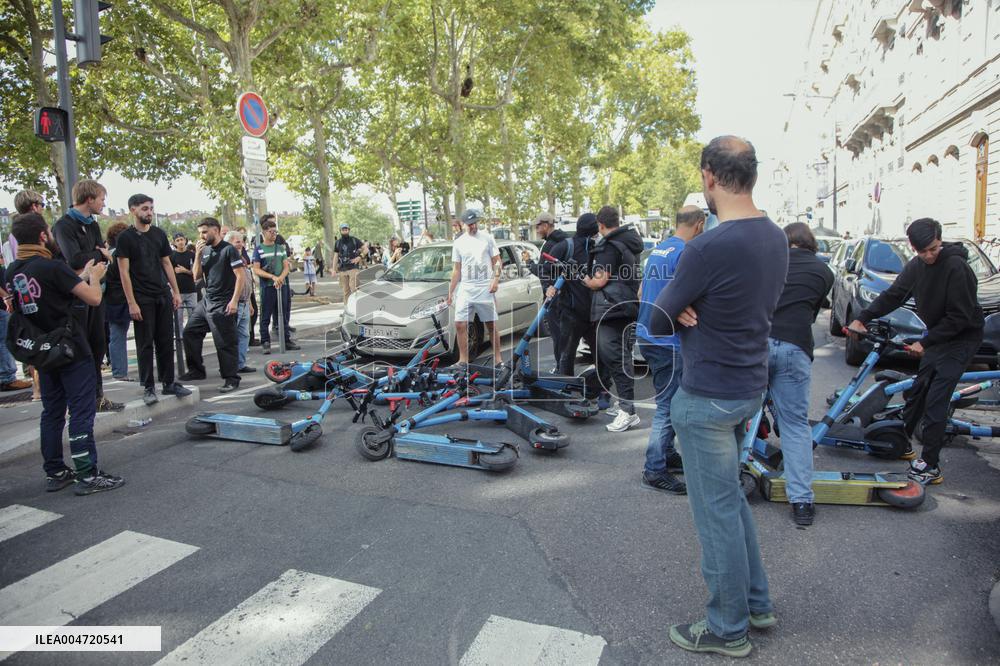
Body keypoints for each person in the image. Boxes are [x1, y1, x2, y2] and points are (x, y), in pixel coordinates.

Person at [651, 135, 787, 657]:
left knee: (715, 517)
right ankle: (756, 603)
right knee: (730, 502)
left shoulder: (706, 246)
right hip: (748, 388)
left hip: (706, 395)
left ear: (709, 175)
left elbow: (656, 316)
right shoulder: (774, 236)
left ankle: (728, 628)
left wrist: (682, 305)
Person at [848, 217, 983, 486]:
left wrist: (927, 341)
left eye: (934, 248)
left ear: (940, 241)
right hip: (939, 336)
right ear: (913, 248)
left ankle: (930, 466)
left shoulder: (956, 267)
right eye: (923, 251)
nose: (929, 255)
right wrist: (863, 317)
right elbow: (894, 294)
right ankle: (902, 443)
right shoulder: (917, 265)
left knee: (936, 399)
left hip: (962, 338)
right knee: (918, 392)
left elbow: (960, 317)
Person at [5, 213, 124, 494]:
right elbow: (93, 298)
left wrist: (81, 276)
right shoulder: (51, 267)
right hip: (71, 349)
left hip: (42, 353)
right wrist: (94, 277)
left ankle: (55, 470)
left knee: (52, 412)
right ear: (43, 236)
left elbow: (55, 289)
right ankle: (87, 474)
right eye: (47, 230)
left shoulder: (13, 271)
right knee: (81, 412)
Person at [767, 223, 834, 525]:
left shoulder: (768, 263)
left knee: (741, 415)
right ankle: (802, 503)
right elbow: (811, 313)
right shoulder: (824, 273)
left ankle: (729, 486)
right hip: (795, 346)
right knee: (794, 424)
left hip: (759, 344)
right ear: (811, 243)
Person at [636, 205, 705, 495]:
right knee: (668, 406)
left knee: (671, 401)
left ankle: (665, 453)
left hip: (647, 334)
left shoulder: (659, 251)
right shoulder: (686, 254)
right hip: (669, 342)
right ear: (700, 225)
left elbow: (641, 292)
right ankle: (654, 469)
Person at [51, 179, 123, 412]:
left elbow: (96, 258)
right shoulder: (63, 225)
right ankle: (82, 399)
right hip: (77, 295)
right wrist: (98, 255)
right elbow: (74, 259)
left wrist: (96, 256)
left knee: (97, 344)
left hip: (96, 291)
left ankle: (98, 397)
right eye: (101, 199)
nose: (104, 203)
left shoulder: (92, 224)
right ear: (89, 199)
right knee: (81, 347)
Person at [116, 194, 191, 405]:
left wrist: (175, 292)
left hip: (162, 294)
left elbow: (166, 264)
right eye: (144, 208)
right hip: (142, 297)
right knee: (145, 343)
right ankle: (148, 386)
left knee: (166, 340)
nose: (149, 212)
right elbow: (124, 272)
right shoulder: (126, 238)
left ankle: (169, 382)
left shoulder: (158, 233)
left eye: (150, 208)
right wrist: (131, 302)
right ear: (133, 210)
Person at [584, 205, 644, 433]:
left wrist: (583, 278)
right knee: (623, 356)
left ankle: (628, 411)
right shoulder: (630, 242)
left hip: (611, 308)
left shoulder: (609, 246)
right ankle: (626, 406)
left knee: (614, 357)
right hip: (626, 306)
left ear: (600, 225)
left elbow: (598, 281)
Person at [179, 217, 246, 392]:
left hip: (224, 302)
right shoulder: (205, 250)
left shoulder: (229, 250)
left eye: (204, 232)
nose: (201, 236)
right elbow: (196, 277)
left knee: (224, 342)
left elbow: (240, 276)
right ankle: (196, 370)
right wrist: (198, 255)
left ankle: (231, 378)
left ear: (215, 230)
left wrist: (234, 301)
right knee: (190, 332)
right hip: (207, 300)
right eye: (200, 232)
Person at [447, 209, 503, 367]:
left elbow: (497, 262)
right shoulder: (458, 243)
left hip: (485, 286)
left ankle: (498, 360)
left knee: (491, 324)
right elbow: (457, 269)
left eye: (475, 223)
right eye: (470, 224)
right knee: (460, 323)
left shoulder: (487, 238)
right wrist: (450, 292)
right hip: (466, 288)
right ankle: (463, 360)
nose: (473, 226)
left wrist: (496, 280)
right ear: (463, 224)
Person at [549, 213, 598, 377]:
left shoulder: (596, 248)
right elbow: (544, 269)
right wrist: (548, 286)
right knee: (567, 356)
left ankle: (601, 391)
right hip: (571, 313)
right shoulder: (565, 246)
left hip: (593, 314)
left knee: (601, 356)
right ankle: (567, 392)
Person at [526, 212, 568, 373]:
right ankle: (565, 368)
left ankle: (560, 369)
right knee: (566, 336)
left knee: (557, 336)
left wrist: (530, 264)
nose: (536, 229)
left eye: (538, 226)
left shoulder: (550, 245)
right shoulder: (565, 240)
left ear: (546, 225)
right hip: (567, 295)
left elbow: (544, 271)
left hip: (554, 295)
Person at [252, 217, 299, 353]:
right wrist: (272, 277)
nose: (274, 235)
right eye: (271, 232)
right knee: (265, 314)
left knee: (283, 313)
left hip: (281, 285)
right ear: (264, 233)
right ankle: (265, 341)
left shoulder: (280, 248)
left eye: (275, 232)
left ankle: (286, 340)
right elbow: (256, 268)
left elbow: (286, 266)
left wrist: (280, 278)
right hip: (267, 286)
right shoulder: (259, 249)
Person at [225, 230, 256, 374]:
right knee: (230, 336)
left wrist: (249, 302)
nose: (241, 244)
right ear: (229, 242)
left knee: (244, 335)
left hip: (244, 302)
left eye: (242, 241)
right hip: (234, 303)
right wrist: (234, 301)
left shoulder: (242, 258)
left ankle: (240, 364)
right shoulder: (226, 258)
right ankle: (229, 367)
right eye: (238, 241)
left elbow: (247, 281)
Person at [104, 223, 132, 381]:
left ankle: (119, 371)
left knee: (116, 336)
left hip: (111, 300)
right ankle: (120, 372)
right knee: (118, 336)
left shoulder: (107, 254)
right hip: (121, 299)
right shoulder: (119, 255)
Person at [170, 233, 198, 329]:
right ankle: (180, 339)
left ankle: (191, 337)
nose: (180, 242)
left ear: (185, 240)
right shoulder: (171, 256)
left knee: (194, 316)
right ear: (174, 243)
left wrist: (185, 271)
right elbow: (168, 272)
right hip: (177, 291)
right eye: (177, 240)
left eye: (182, 239)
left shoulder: (192, 255)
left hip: (191, 290)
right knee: (178, 318)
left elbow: (196, 272)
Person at [332, 223, 365, 303]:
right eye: (343, 230)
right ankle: (347, 309)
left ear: (349, 230)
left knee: (354, 288)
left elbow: (366, 249)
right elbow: (335, 256)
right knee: (346, 291)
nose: (345, 231)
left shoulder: (354, 240)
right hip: (342, 269)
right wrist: (333, 269)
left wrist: (360, 257)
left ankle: (358, 306)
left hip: (353, 268)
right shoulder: (338, 243)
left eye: (346, 229)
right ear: (340, 231)